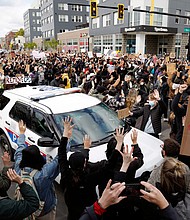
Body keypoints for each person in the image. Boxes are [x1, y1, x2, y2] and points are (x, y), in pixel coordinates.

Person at [14, 120, 59, 220]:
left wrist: (22, 133)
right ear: (38, 158)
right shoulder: (44, 173)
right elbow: (59, 159)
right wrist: (66, 138)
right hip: (43, 210)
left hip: (24, 208)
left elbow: (20, 149)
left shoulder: (18, 166)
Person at [0, 152, 39, 220]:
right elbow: (33, 203)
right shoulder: (6, 207)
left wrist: (6, 167)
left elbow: (3, 186)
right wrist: (21, 183)